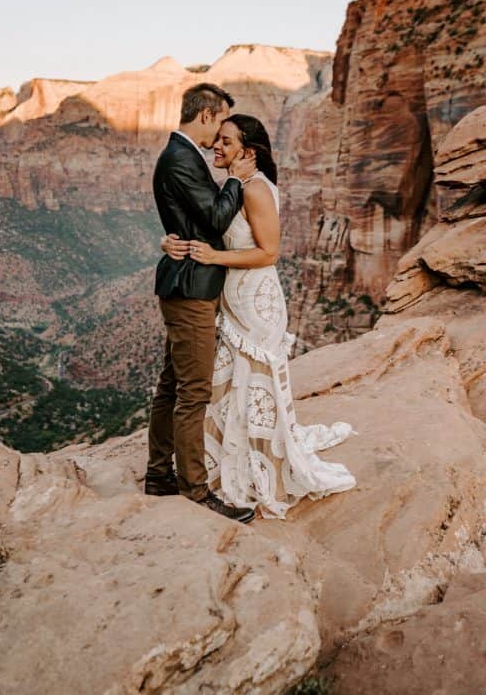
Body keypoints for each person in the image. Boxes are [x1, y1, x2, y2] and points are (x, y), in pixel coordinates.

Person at [162, 114, 357, 519]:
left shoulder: (255, 191)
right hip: (234, 300)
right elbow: (210, 223)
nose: (217, 147)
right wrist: (172, 242)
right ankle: (229, 464)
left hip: (256, 303)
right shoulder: (236, 186)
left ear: (248, 153)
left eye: (227, 143)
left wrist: (215, 257)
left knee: (252, 383)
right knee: (232, 385)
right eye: (217, 139)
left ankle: (255, 468)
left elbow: (269, 253)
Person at [146, 83, 257, 523]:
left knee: (172, 384)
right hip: (191, 289)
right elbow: (213, 216)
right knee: (192, 391)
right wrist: (237, 179)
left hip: (186, 283)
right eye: (220, 123)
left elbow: (190, 219)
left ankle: (158, 475)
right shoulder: (180, 157)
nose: (218, 138)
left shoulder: (179, 155)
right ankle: (194, 490)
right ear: (207, 115)